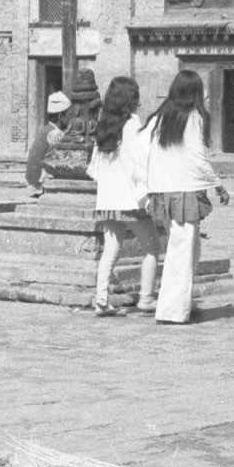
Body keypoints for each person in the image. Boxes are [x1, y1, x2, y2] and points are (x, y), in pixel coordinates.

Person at [142, 70, 230, 324]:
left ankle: (182, 304)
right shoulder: (193, 118)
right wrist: (218, 185)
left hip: (164, 191)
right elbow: (197, 157)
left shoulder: (158, 118)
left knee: (187, 250)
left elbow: (145, 153)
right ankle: (172, 311)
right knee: (181, 253)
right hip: (183, 192)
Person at [86, 76, 158, 316]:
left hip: (108, 200)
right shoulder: (132, 124)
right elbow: (140, 161)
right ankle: (146, 297)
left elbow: (94, 168)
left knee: (110, 250)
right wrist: (146, 193)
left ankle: (101, 300)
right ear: (130, 100)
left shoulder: (104, 125)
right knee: (152, 247)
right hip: (129, 199)